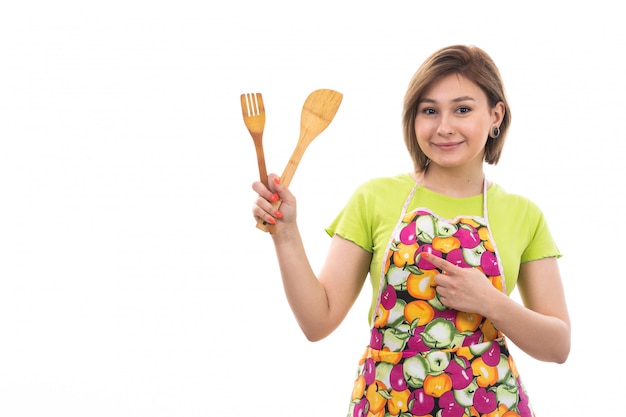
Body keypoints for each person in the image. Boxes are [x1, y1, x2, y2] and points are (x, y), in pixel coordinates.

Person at [251, 44, 570, 417]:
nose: (444, 127)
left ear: (496, 114)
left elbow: (558, 346)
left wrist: (489, 301)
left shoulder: (524, 215)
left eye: (462, 109)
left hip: (492, 406)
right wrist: (285, 234)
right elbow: (317, 322)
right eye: (429, 111)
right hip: (388, 403)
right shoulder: (374, 198)